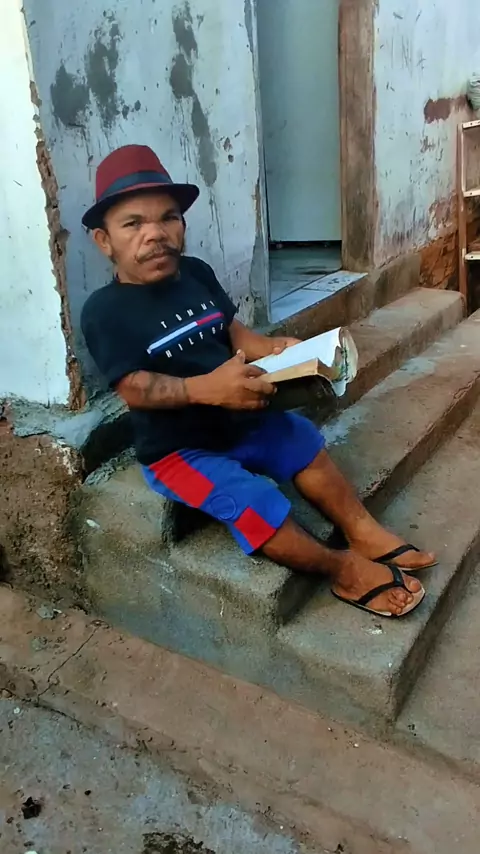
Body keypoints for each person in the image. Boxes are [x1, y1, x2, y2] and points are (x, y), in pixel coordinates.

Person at [81, 145, 436, 619]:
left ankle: (362, 530)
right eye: (133, 224)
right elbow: (132, 387)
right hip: (180, 451)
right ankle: (343, 569)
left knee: (300, 439)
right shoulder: (105, 312)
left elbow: (235, 335)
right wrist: (204, 389)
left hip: (240, 421)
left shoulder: (196, 273)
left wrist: (278, 350)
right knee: (256, 502)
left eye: (169, 218)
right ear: (104, 241)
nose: (156, 234)